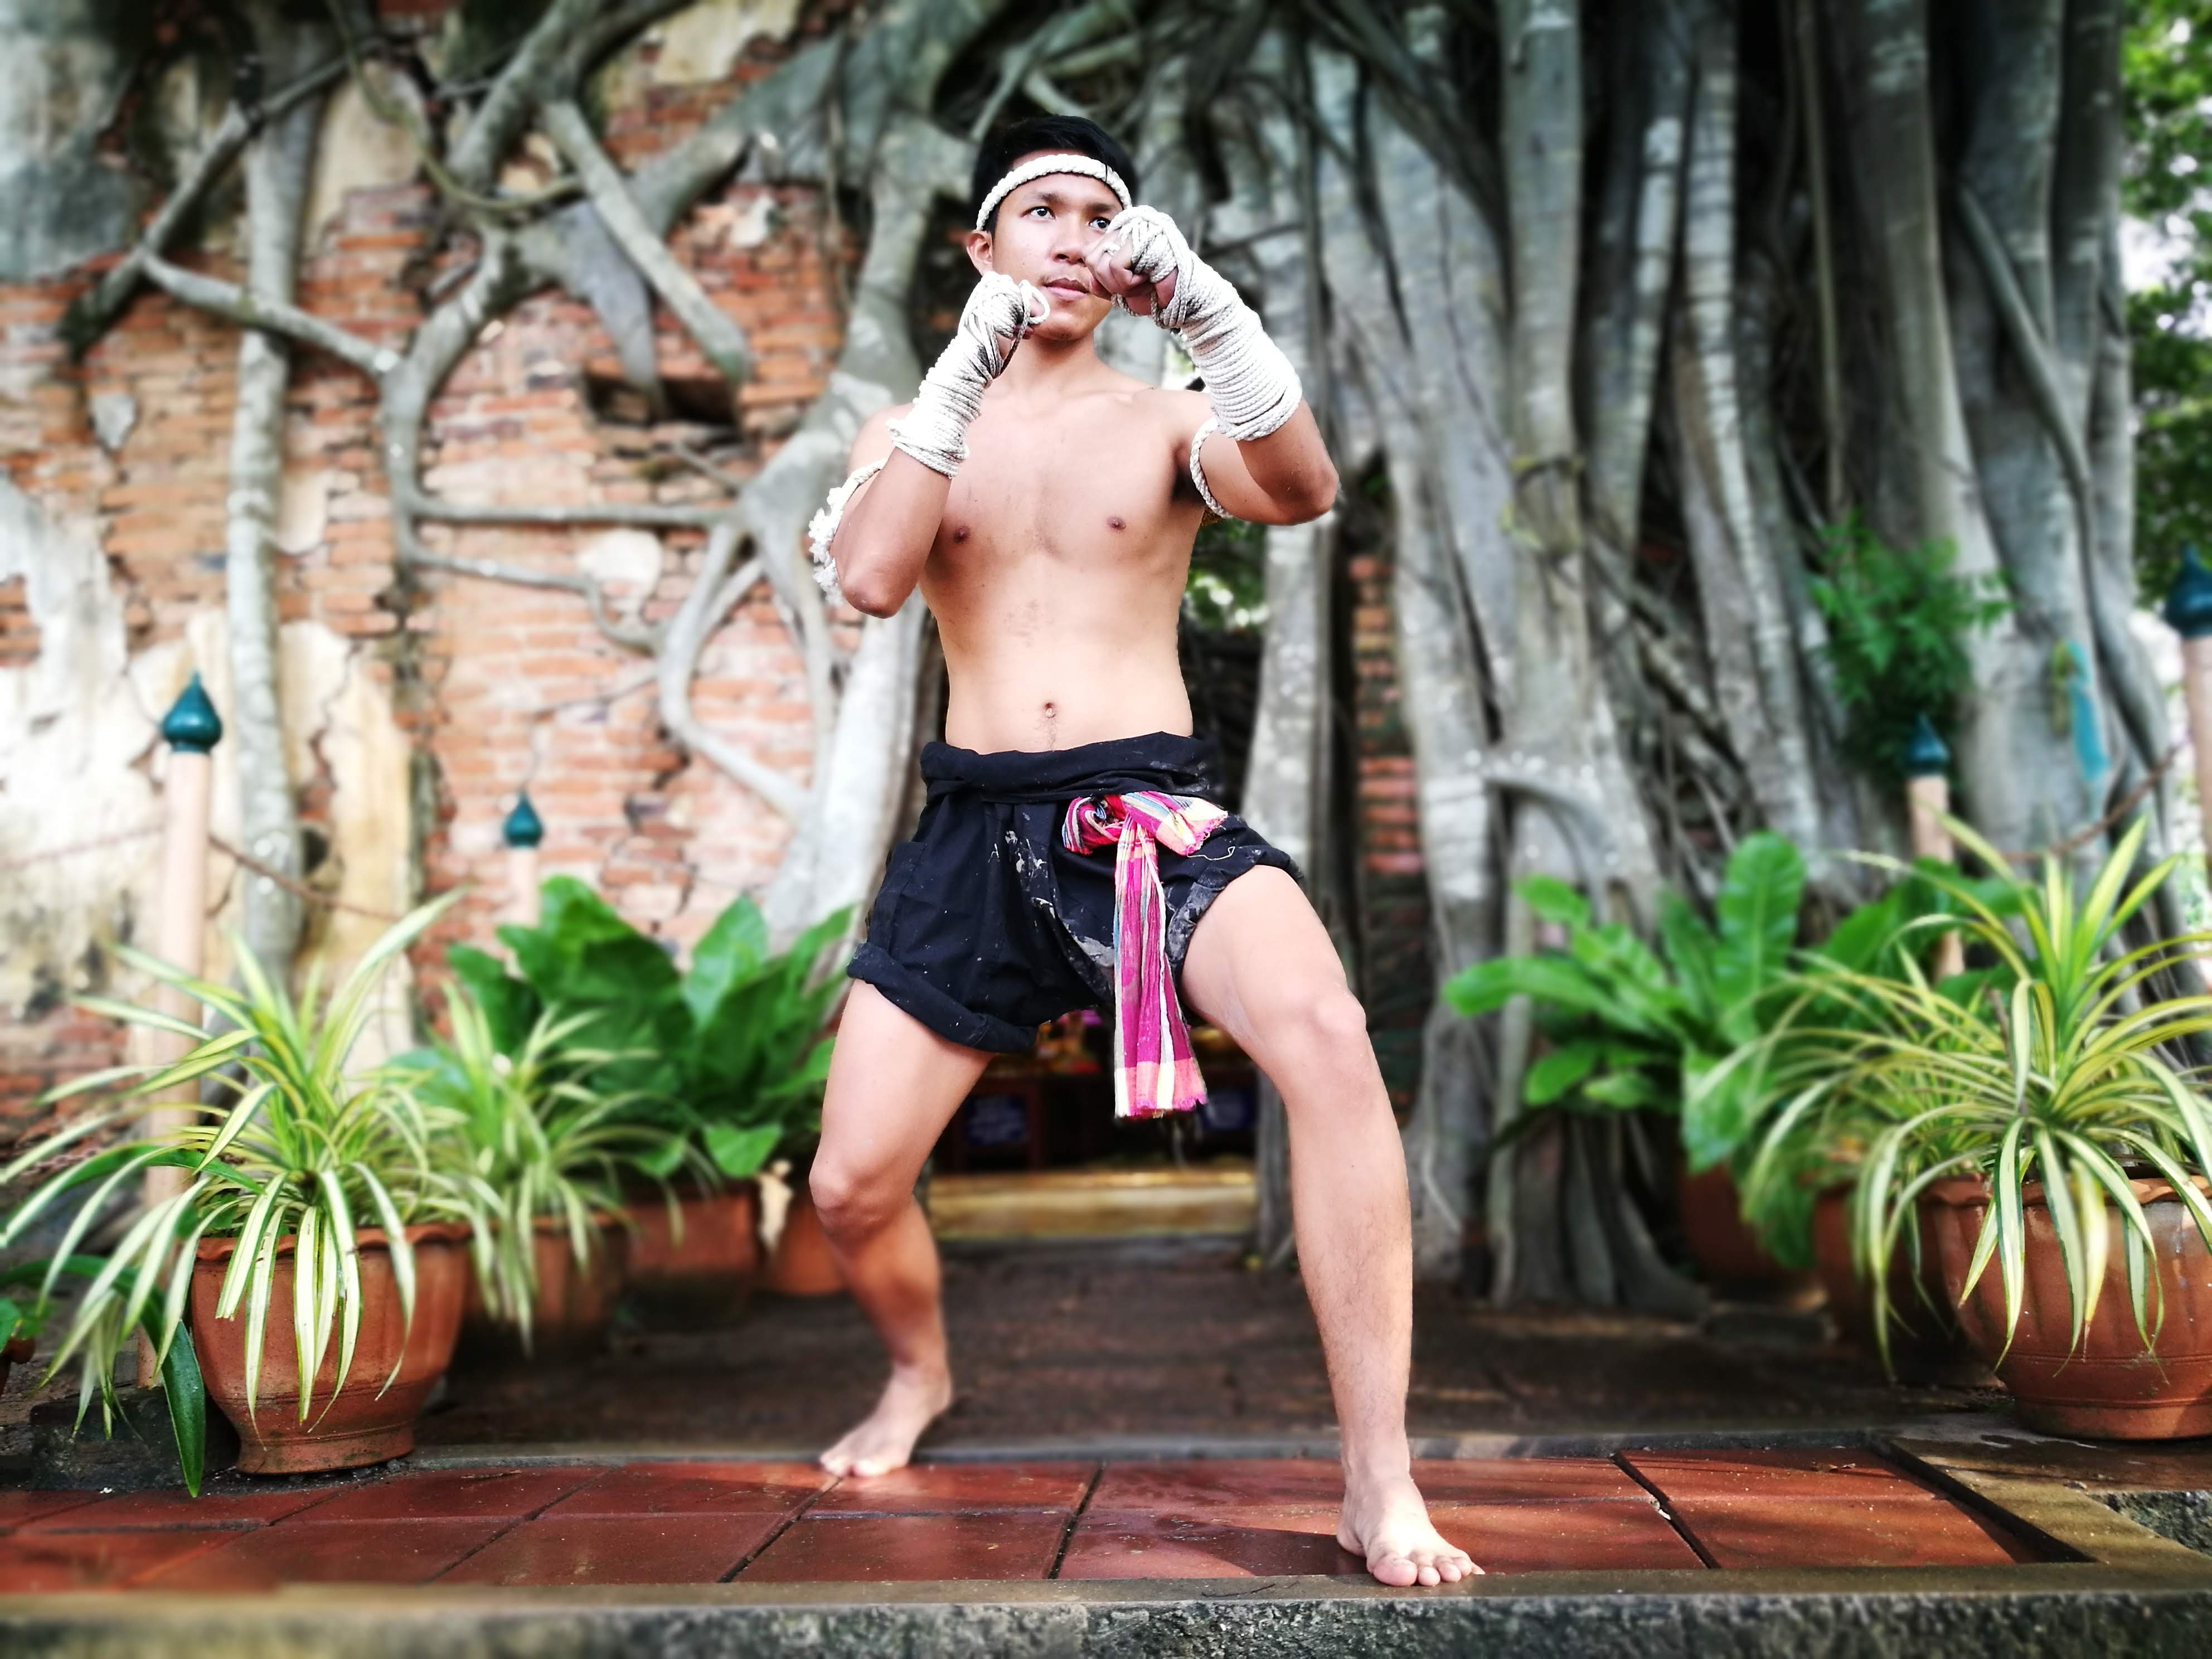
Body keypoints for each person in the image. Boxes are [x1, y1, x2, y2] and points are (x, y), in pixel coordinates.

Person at [803, 114, 1476, 1589]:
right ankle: (919, 1372)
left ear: (1128, 255)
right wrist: (959, 376)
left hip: (1145, 813)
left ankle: (1379, 1478)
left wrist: (1212, 314)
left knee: (1328, 1033)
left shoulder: (1169, 420)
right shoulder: (908, 429)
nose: (1070, 235)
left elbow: (1304, 487)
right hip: (975, 828)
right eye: (1039, 209)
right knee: (848, 1187)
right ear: (981, 246)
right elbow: (869, 577)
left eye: (1098, 214)